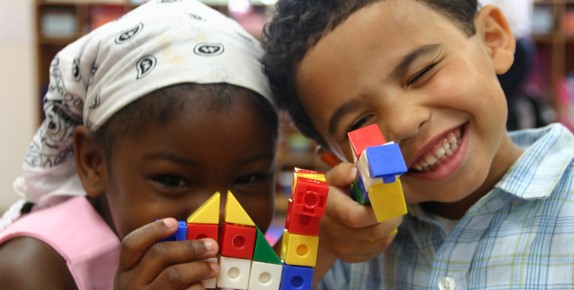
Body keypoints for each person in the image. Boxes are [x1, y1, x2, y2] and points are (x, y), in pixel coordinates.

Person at [263, 0, 574, 289]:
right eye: (358, 123)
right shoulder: (345, 250)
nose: (403, 123)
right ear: (336, 160)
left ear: (492, 40)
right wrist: (322, 246)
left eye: (422, 72)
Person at [0, 0, 278, 289]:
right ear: (93, 162)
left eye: (249, 178)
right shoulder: (30, 268)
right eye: (173, 180)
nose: (220, 214)